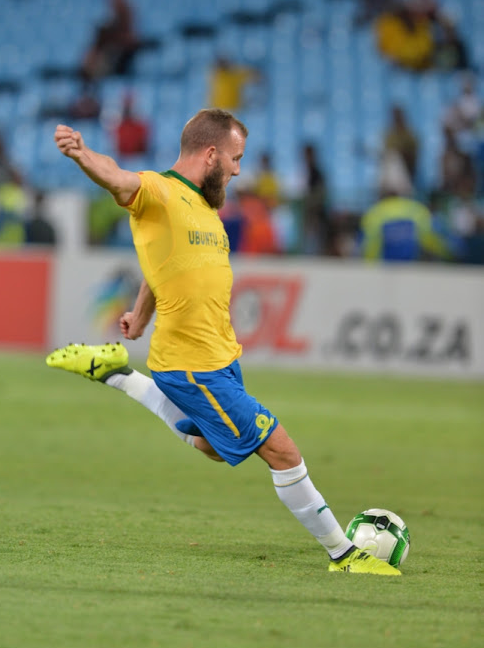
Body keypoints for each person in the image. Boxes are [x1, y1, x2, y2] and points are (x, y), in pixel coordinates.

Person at [47, 108, 400, 575]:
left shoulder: (206, 207)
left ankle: (119, 374)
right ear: (210, 153)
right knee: (282, 451)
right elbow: (118, 178)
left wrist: (140, 313)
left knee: (215, 446)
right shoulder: (159, 190)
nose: (238, 168)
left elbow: (162, 267)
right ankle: (344, 554)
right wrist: (81, 153)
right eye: (235, 158)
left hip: (221, 356)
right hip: (192, 363)